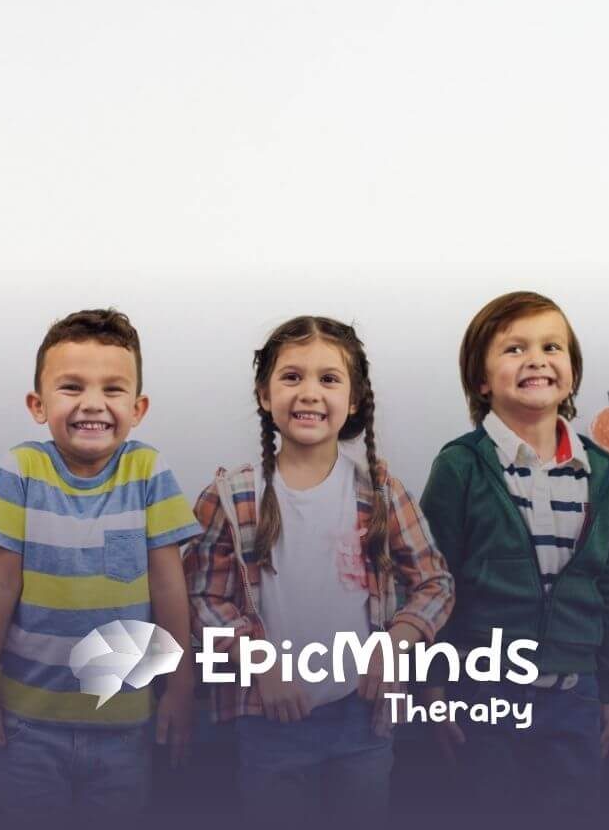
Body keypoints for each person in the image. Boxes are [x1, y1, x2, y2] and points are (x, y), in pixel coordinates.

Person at [184, 315, 453, 816]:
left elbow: (435, 583)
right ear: (265, 395)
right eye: (292, 377)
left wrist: (397, 645)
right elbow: (202, 598)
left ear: (352, 401)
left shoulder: (382, 494)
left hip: (363, 719)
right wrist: (261, 664)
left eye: (328, 379)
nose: (309, 392)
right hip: (270, 721)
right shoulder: (231, 496)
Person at [0, 308, 201, 819]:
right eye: (71, 387)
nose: (92, 404)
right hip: (27, 723)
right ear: (37, 404)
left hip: (125, 726)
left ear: (138, 407)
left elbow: (169, 588)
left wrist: (181, 687)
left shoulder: (149, 471)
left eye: (112, 390)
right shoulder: (20, 469)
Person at [420, 291, 609, 815]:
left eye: (552, 346)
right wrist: (431, 685)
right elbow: (430, 583)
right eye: (515, 349)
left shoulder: (601, 472)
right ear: (481, 379)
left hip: (574, 694)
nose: (537, 359)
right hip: (483, 694)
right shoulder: (460, 466)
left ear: (572, 374)